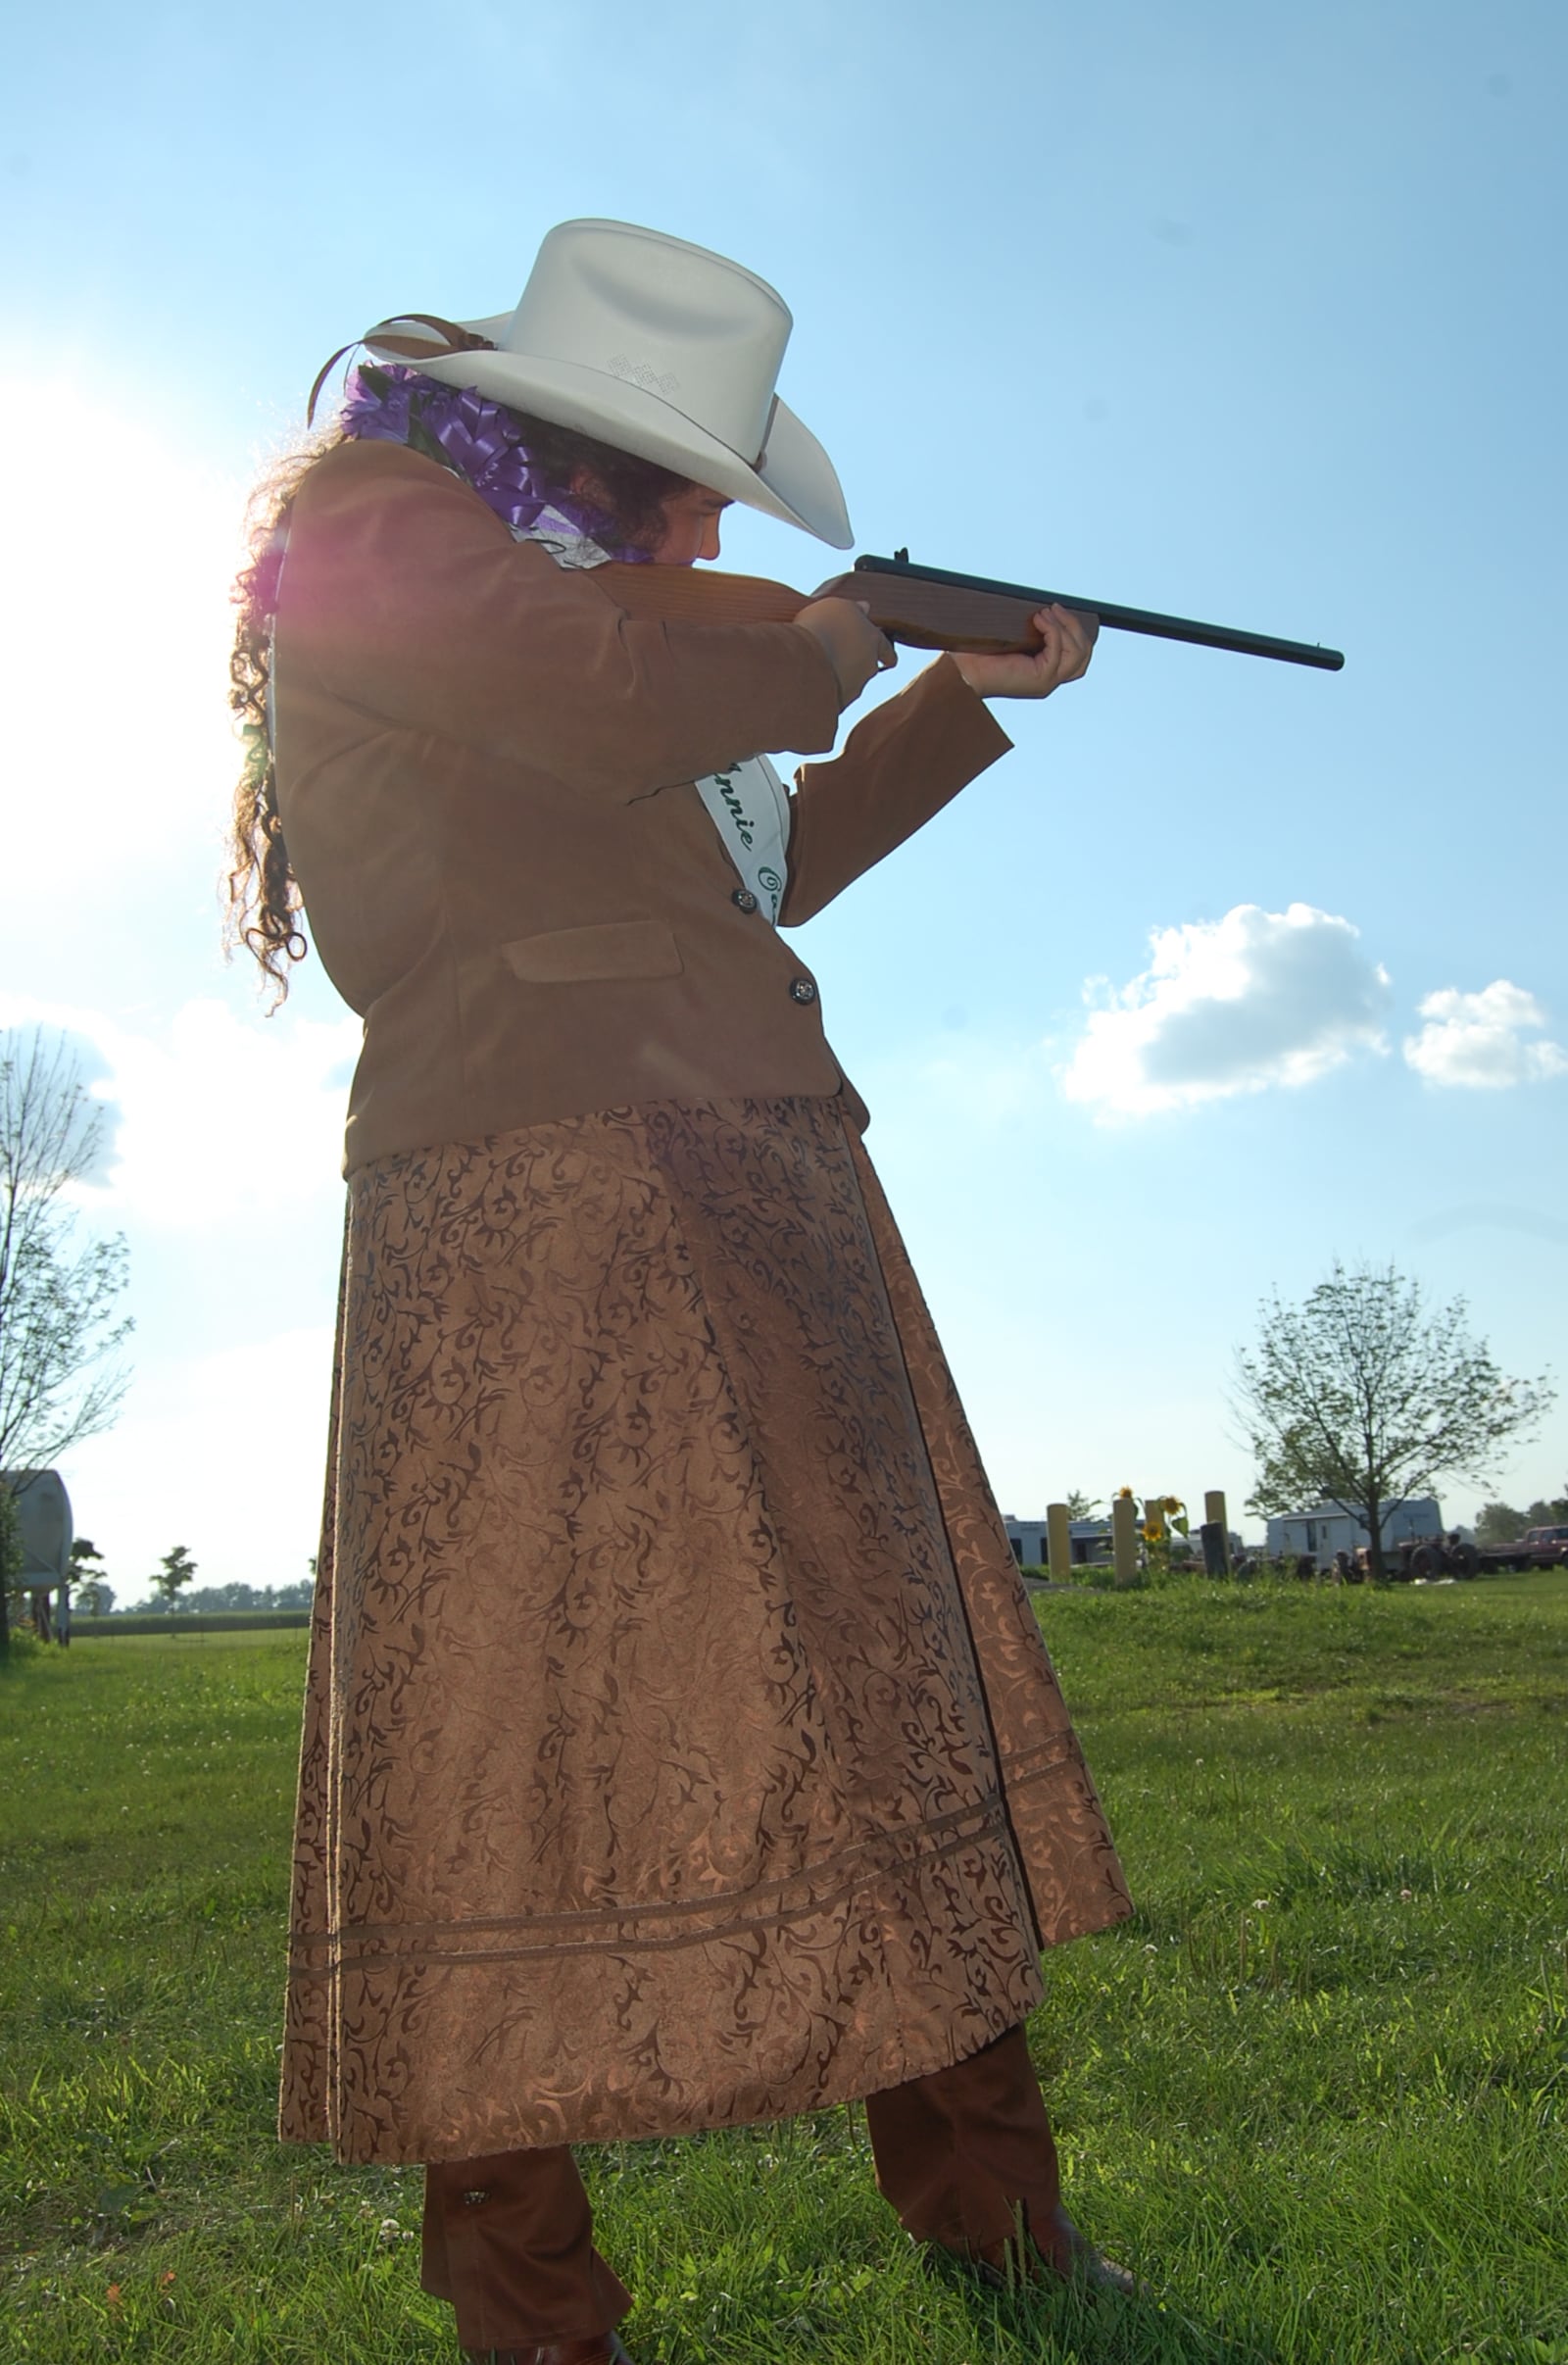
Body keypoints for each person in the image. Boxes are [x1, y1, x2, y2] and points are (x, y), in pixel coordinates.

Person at [229, 219, 1134, 2365]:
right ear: (586, 444)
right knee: (490, 1737)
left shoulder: (624, 629)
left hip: (757, 1159)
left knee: (876, 1669)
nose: (721, 511)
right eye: (697, 474)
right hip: (523, 1190)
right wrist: (824, 631)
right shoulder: (384, 536)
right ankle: (532, 2311)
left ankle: (999, 2224)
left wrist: (939, 693)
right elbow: (602, 686)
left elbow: (754, 860)